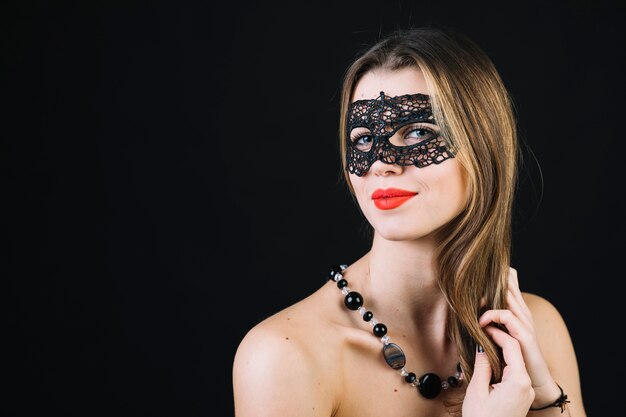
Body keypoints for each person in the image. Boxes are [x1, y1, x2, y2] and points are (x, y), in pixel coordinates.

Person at [232, 26, 586, 417]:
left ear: (482, 146)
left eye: (418, 132)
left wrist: (546, 400)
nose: (382, 163)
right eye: (363, 138)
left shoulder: (535, 330)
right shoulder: (283, 357)